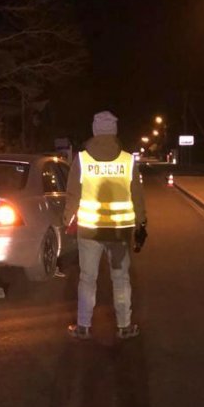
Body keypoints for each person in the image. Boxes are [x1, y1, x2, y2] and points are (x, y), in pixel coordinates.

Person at [63, 110, 147, 340]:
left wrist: (67, 220)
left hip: (89, 230)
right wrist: (141, 223)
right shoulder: (128, 161)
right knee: (121, 279)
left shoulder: (82, 159)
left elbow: (73, 195)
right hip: (120, 232)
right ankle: (124, 326)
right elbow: (137, 196)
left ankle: (83, 327)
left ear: (94, 131)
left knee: (87, 279)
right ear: (114, 132)